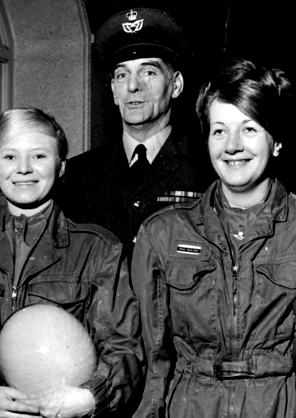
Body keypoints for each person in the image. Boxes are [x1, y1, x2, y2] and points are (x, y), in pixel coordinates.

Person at [126, 57, 296, 418]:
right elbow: (152, 356)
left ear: (275, 142)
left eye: (250, 129)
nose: (233, 146)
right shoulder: (164, 232)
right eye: (219, 130)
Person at [0, 108, 144, 418]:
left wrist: (87, 398)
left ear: (61, 166)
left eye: (38, 155)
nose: (23, 169)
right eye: (9, 156)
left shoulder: (98, 249)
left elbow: (124, 350)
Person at [58, 7, 215, 255]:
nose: (133, 86)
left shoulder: (210, 168)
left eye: (149, 72)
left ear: (176, 85)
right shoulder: (76, 176)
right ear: (113, 90)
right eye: (122, 74)